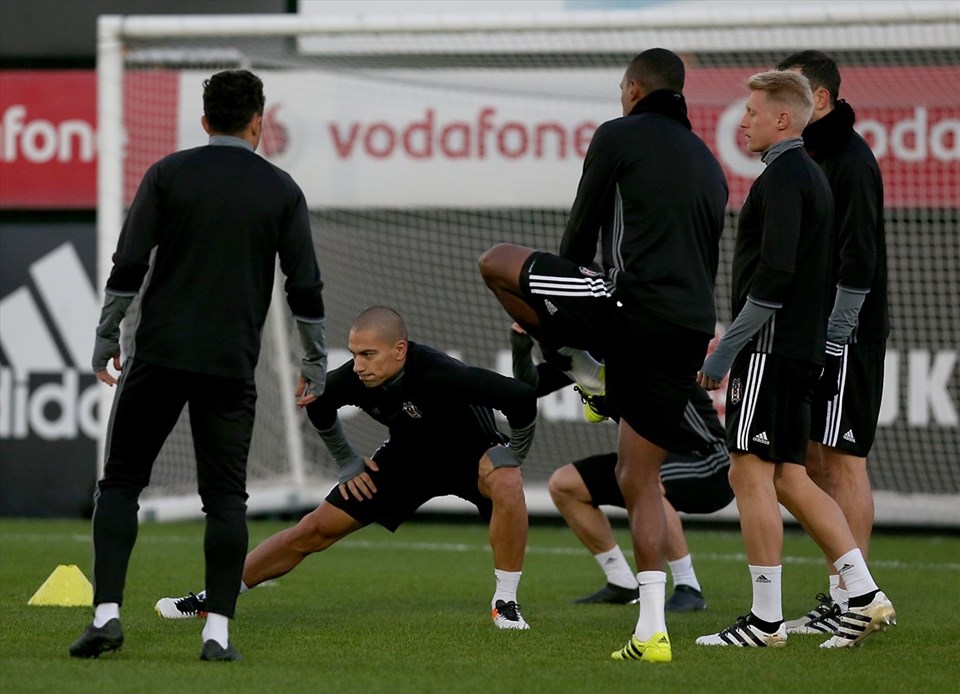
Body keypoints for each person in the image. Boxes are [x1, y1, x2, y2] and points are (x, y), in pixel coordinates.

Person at [68, 69, 328, 663]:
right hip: (230, 366)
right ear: (258, 121)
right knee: (226, 501)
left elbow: (128, 261)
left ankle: (106, 616)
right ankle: (217, 634)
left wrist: (107, 333)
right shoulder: (282, 190)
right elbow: (304, 287)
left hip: (158, 355)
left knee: (121, 484)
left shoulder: (168, 174)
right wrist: (314, 359)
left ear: (205, 120)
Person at [479, 48, 728, 663]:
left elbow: (581, 228)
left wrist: (560, 313)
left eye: (622, 88)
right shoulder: (710, 161)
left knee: (495, 261)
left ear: (635, 88)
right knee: (638, 480)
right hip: (690, 326)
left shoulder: (618, 133)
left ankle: (585, 368)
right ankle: (650, 633)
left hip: (627, 303)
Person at [155, 306, 538, 630]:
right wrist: (347, 462)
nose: (357, 365)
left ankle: (505, 602)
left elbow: (521, 397)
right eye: (354, 354)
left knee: (507, 480)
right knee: (312, 529)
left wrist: (513, 454)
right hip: (408, 461)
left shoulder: (440, 372)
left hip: (472, 456)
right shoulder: (355, 378)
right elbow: (318, 405)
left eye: (368, 354)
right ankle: (214, 597)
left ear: (400, 350)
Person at [695, 71, 895, 650]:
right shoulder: (812, 175)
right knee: (789, 476)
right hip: (799, 350)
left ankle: (764, 621)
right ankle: (863, 592)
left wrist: (729, 347)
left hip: (770, 351)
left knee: (748, 473)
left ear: (784, 118)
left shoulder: (784, 177)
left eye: (753, 112)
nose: (744, 121)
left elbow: (774, 277)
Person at [775, 50, 890, 636]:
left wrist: (833, 336)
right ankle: (843, 591)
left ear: (819, 99)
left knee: (844, 461)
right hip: (815, 334)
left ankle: (856, 600)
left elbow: (860, 260)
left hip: (847, 334)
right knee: (817, 457)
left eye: (790, 88)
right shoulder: (810, 155)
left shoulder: (849, 159)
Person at [510, 327, 732, 610]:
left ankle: (689, 587)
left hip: (708, 462)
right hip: (653, 462)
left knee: (646, 481)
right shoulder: (582, 359)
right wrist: (520, 344)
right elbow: (530, 386)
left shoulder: (633, 349)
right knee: (565, 485)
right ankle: (621, 582)